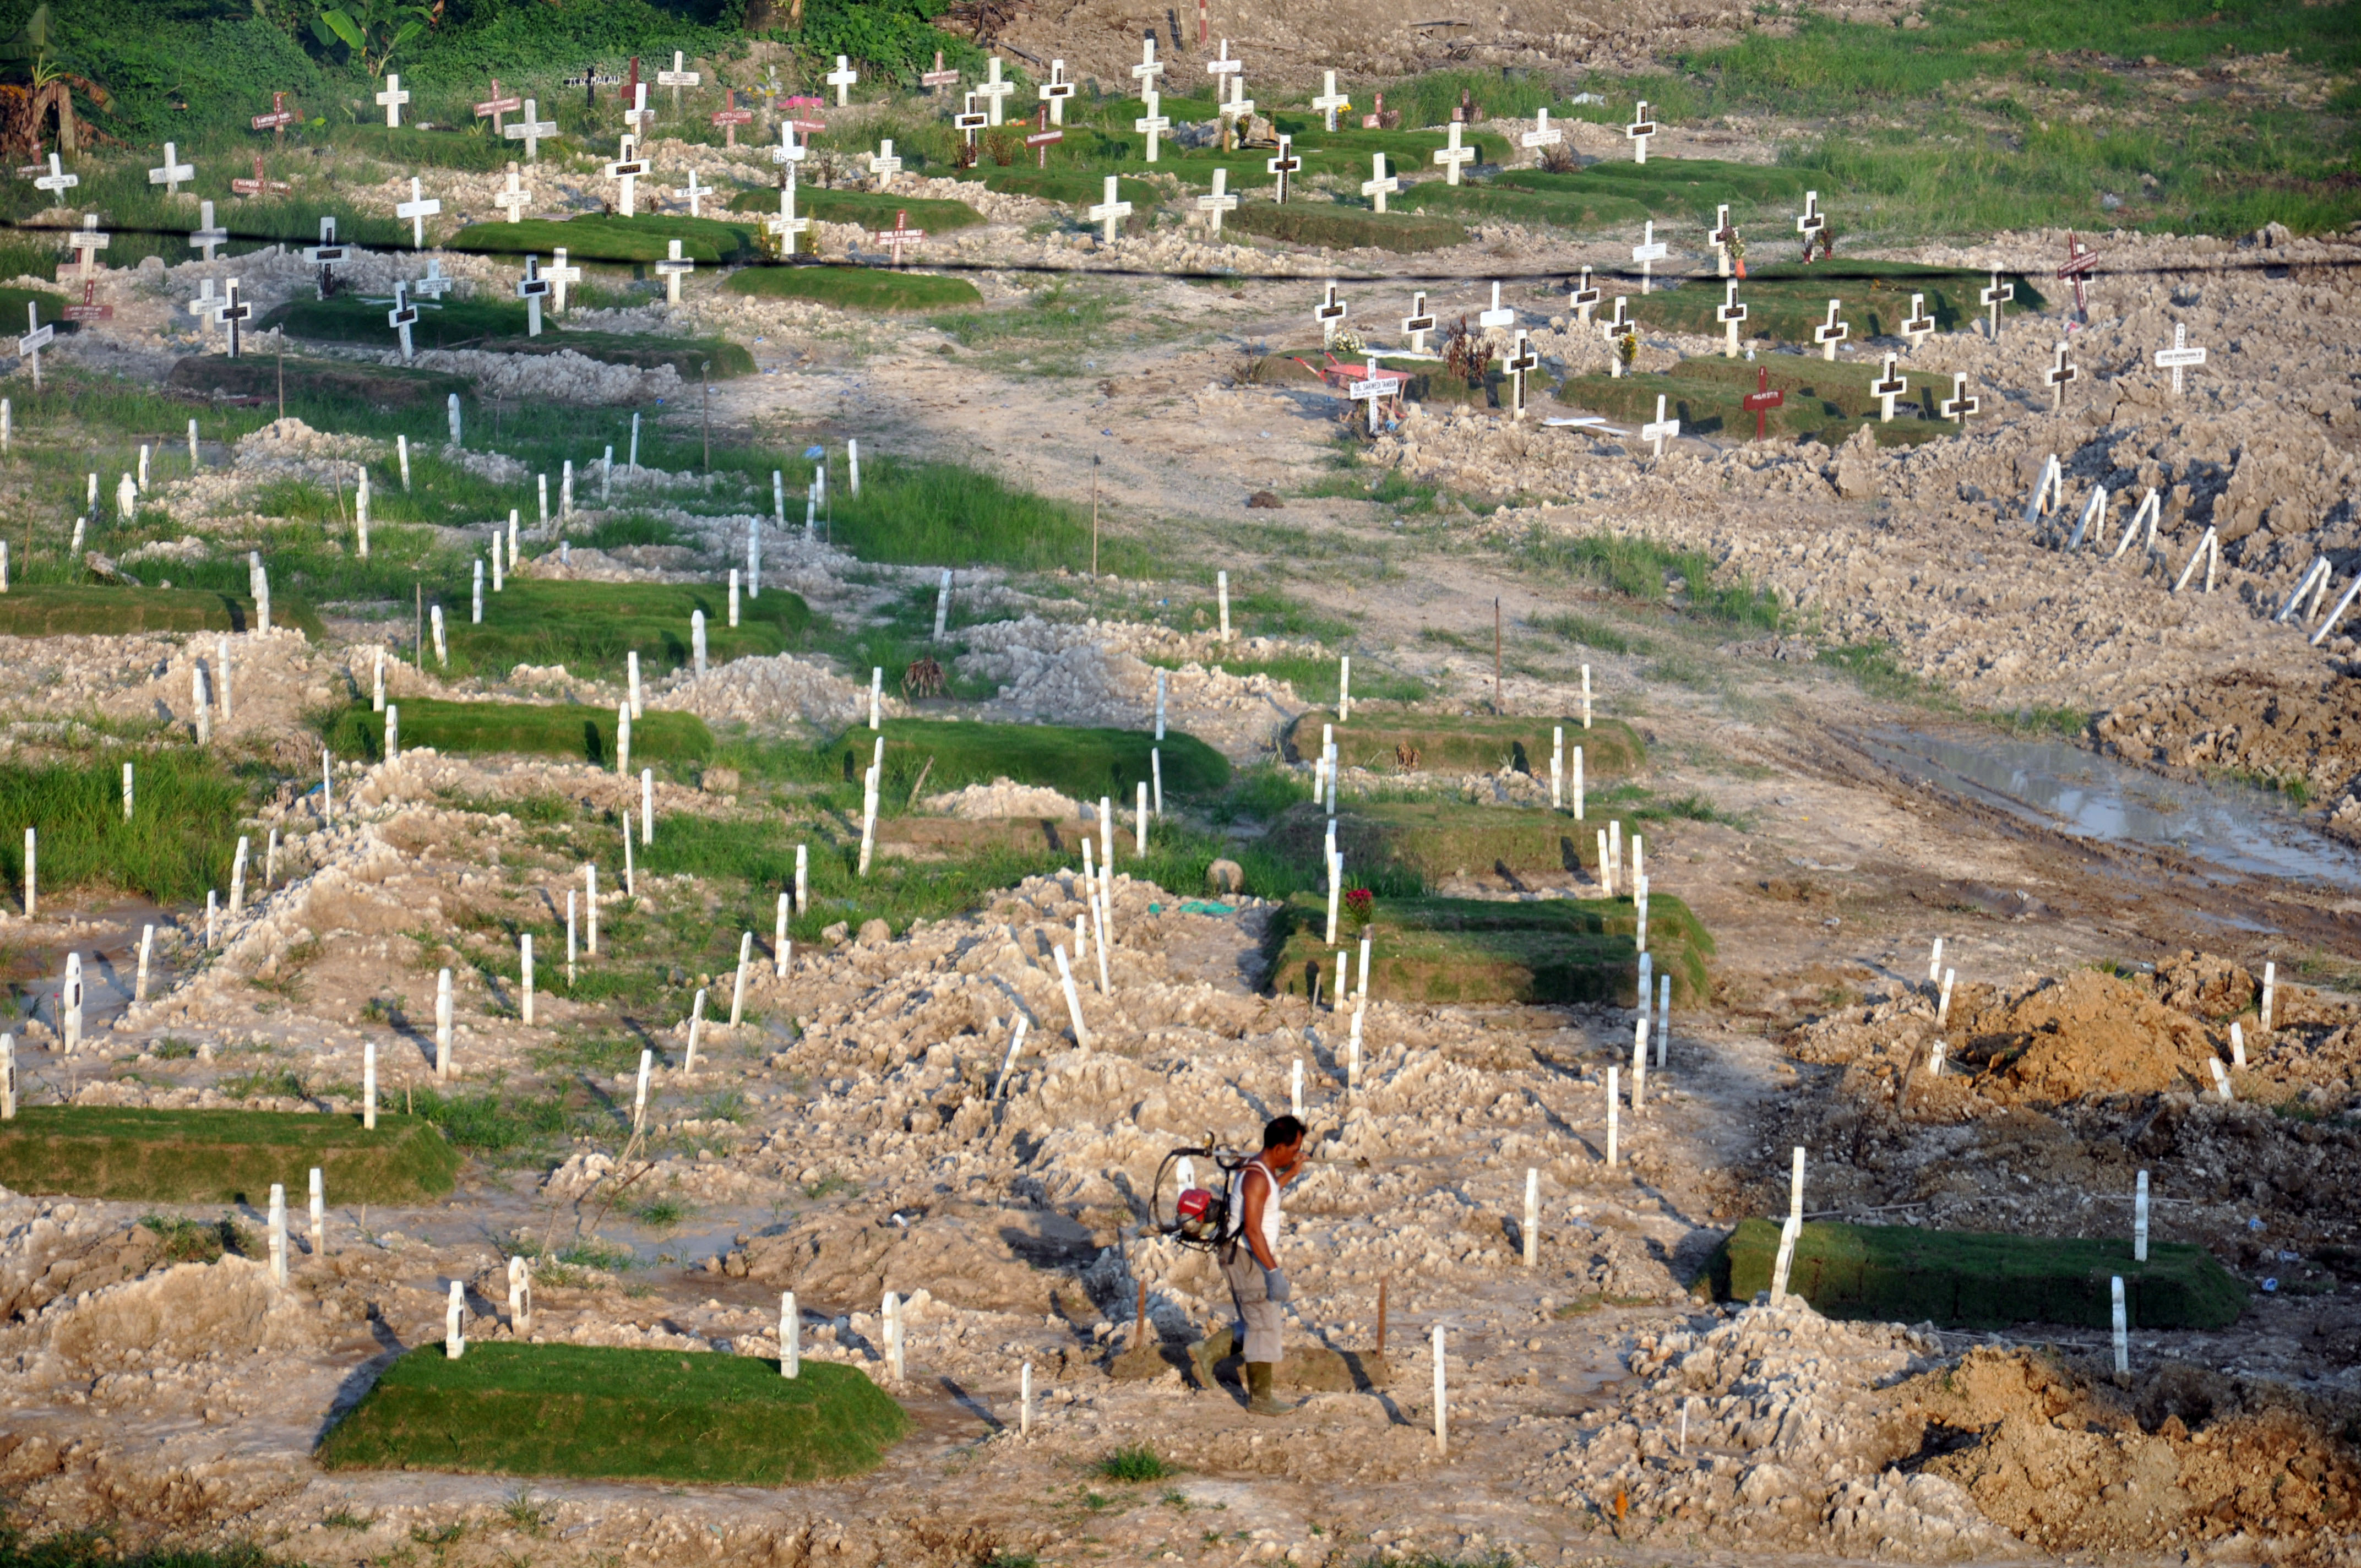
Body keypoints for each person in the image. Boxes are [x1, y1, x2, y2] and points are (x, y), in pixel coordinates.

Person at [1190, 1114, 1305, 1416]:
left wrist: (1292, 1173)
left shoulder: (1261, 1169)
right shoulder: (1255, 1177)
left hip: (1247, 1254)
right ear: (1279, 1147)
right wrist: (1273, 1271)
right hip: (1246, 1257)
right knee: (1263, 1325)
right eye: (1294, 1149)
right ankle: (1261, 1399)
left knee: (1256, 1320)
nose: (1296, 1153)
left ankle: (1207, 1352)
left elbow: (1268, 1194)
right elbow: (1253, 1230)